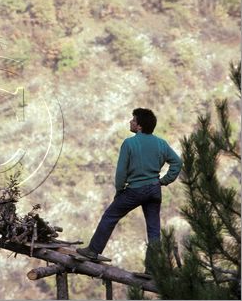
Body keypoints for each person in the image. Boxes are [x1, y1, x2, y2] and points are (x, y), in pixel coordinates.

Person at [77, 108, 182, 273]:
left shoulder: (129, 143)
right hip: (154, 189)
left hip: (135, 190)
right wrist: (164, 181)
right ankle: (152, 269)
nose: (130, 122)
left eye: (133, 120)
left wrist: (119, 191)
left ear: (139, 126)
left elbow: (121, 172)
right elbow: (177, 163)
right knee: (154, 229)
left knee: (110, 216)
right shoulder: (161, 143)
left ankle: (92, 251)